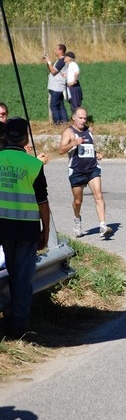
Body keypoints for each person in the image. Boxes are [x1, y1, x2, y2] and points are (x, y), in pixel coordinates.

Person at [0, 117, 50, 338]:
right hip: (27, 230)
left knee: (12, 272)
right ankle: (19, 323)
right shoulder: (34, 165)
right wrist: (45, 231)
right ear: (25, 138)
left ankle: (11, 313)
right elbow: (43, 203)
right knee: (23, 277)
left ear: (5, 136)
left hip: (3, 227)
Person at [58, 106, 113, 239]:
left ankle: (103, 225)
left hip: (92, 169)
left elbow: (88, 148)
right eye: (80, 118)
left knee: (98, 195)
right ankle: (77, 220)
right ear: (74, 118)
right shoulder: (69, 132)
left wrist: (97, 154)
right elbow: (60, 150)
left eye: (84, 118)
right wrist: (73, 143)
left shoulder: (89, 131)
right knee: (78, 201)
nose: (83, 121)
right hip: (77, 171)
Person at [44, 43, 68, 124]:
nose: (54, 51)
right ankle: (64, 121)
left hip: (56, 87)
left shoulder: (61, 61)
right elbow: (53, 70)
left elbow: (53, 71)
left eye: (56, 49)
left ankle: (57, 123)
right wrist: (48, 62)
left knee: (53, 106)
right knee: (60, 106)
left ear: (61, 51)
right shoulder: (60, 60)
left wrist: (49, 62)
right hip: (58, 87)